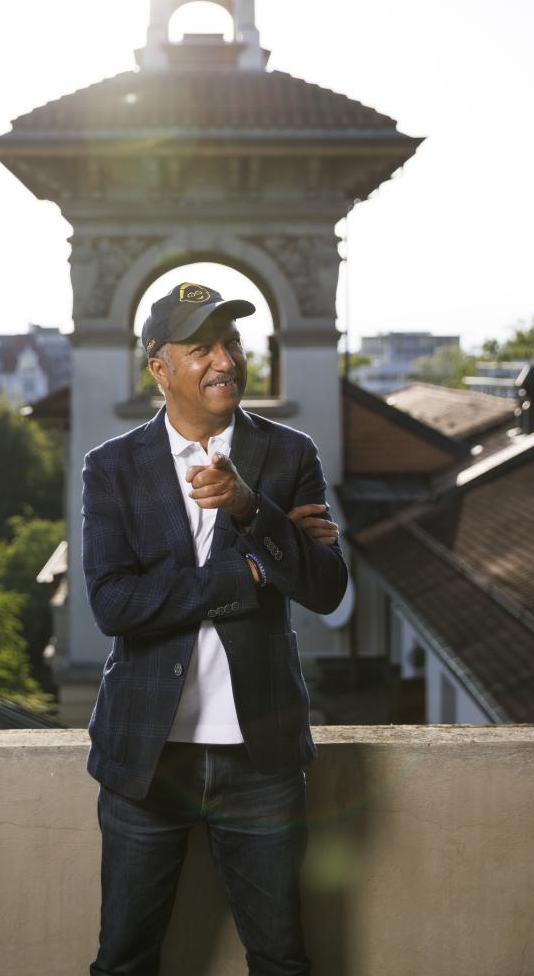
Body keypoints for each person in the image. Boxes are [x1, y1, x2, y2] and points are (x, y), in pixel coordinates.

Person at [82, 281, 349, 976]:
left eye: (230, 342)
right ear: (159, 367)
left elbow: (325, 586)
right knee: (124, 961)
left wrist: (249, 506)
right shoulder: (111, 467)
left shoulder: (289, 456)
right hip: (147, 758)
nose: (225, 359)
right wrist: (255, 572)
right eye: (201, 347)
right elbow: (114, 605)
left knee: (282, 959)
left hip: (261, 756)